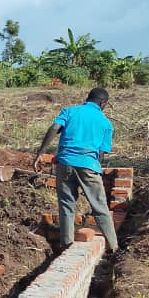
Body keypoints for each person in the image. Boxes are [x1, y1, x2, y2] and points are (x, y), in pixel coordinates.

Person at [32, 87, 119, 253]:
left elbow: (54, 128)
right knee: (100, 207)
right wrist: (95, 171)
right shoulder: (106, 123)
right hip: (89, 165)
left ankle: (66, 245)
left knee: (66, 206)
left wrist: (40, 153)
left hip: (65, 163)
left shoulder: (70, 111)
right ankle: (113, 248)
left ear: (88, 98)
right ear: (103, 104)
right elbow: (101, 154)